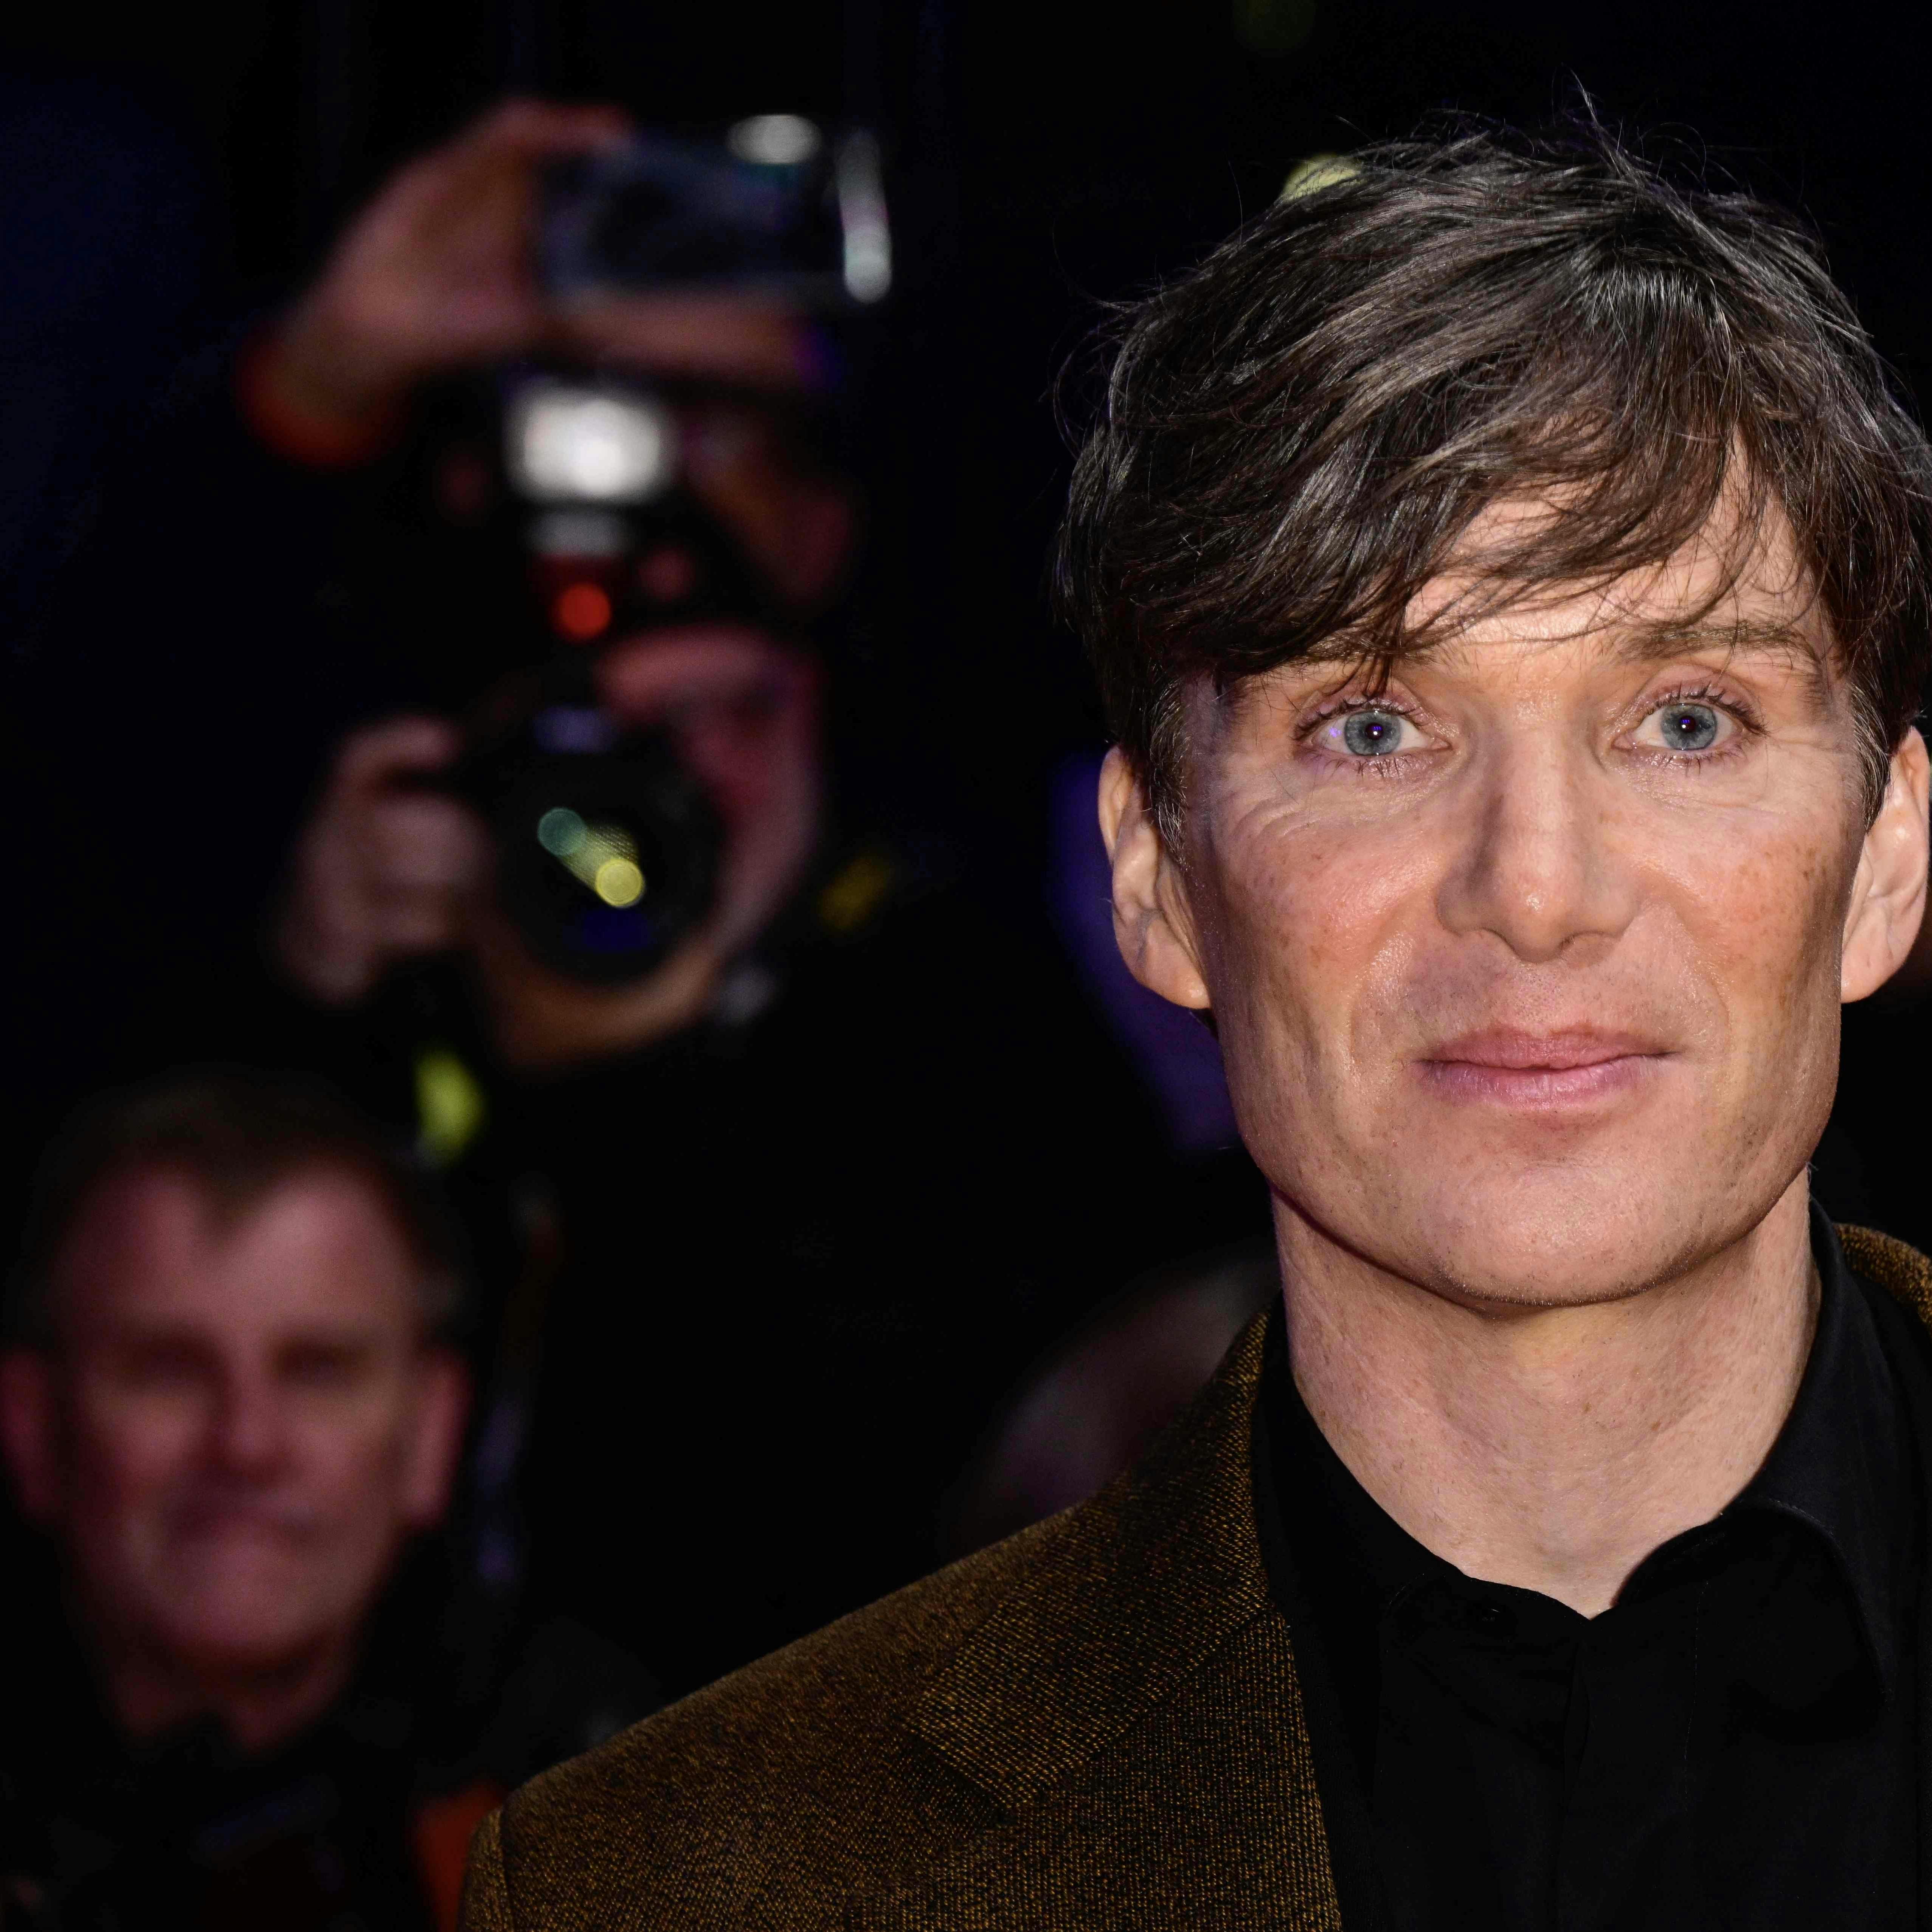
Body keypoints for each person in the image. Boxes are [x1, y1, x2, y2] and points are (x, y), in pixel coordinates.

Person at [457, 124, 1932, 1929]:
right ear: (1158, 879)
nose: (1538, 890)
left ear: (1886, 855)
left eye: (1688, 721)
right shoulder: (688, 1885)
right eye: (1374, 728)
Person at [0, 1073, 652, 1931]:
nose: (246, 1444)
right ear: (34, 1421)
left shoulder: (618, 1808)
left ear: (431, 1432)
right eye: (167, 1370)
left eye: (319, 1371)